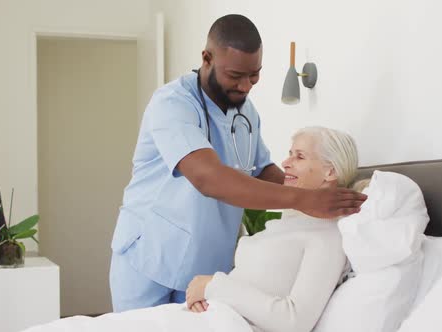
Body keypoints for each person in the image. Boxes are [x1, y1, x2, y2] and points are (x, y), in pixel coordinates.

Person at [109, 14, 367, 312]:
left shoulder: (245, 114)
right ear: (207, 58)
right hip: (149, 254)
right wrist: (305, 198)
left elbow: (261, 171)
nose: (246, 86)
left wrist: (323, 190)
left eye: (254, 75)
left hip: (204, 264)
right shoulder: (173, 103)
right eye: (235, 76)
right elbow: (209, 178)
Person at [185, 127, 359, 332]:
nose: (285, 163)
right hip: (211, 318)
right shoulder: (290, 222)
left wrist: (213, 286)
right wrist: (207, 294)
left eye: (300, 157)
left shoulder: (328, 236)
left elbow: (294, 322)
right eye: (289, 154)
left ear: (330, 171)